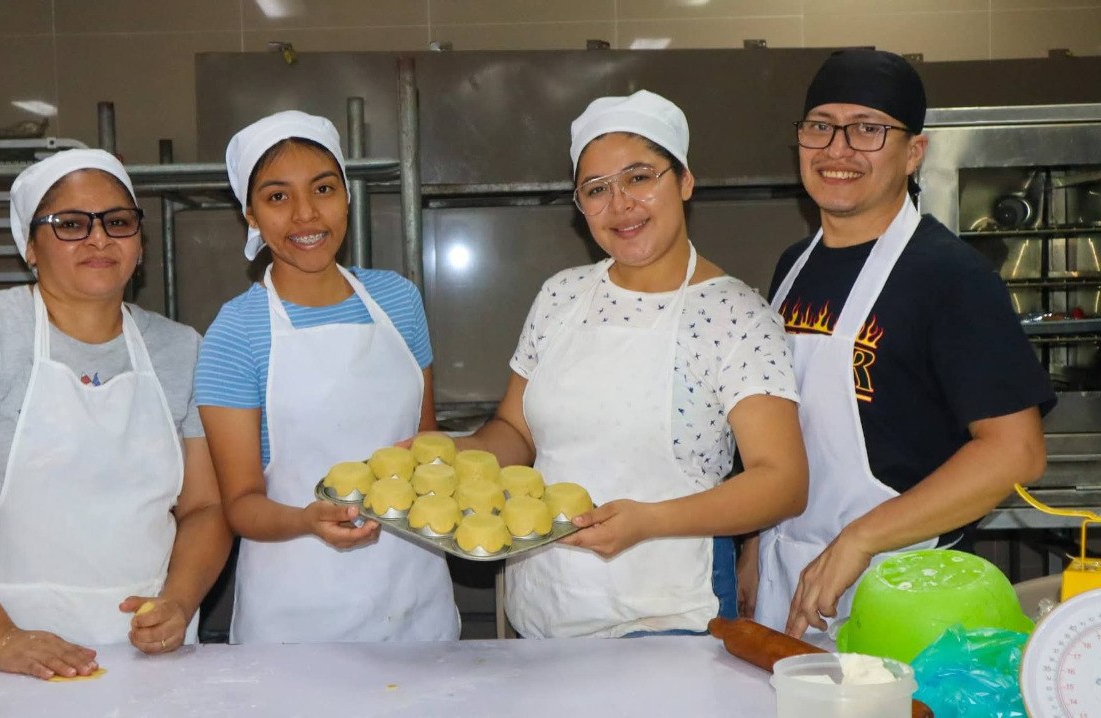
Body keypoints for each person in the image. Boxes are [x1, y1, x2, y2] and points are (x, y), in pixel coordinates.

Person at [446, 90, 808, 638]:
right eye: (597, 189)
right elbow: (514, 433)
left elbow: (782, 481)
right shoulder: (560, 297)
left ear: (684, 181)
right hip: (545, 609)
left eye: (640, 178)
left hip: (667, 618)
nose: (620, 205)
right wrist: (449, 455)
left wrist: (649, 522)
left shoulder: (735, 314)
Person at [0, 149, 232, 678]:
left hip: (150, 657)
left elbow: (205, 506)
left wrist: (178, 602)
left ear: (140, 243)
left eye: (118, 222)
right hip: (2, 657)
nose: (98, 238)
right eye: (69, 224)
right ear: (29, 246)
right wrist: (2, 638)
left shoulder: (181, 349)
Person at [747, 49, 1056, 638]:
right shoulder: (793, 267)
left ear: (914, 152)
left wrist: (860, 538)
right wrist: (758, 546)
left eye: (868, 129)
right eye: (820, 126)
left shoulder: (949, 276)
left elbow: (1017, 452)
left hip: (902, 585)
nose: (838, 149)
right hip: (787, 575)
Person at [196, 111, 460, 643]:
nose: (305, 214)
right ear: (249, 214)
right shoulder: (236, 331)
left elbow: (426, 442)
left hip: (414, 600)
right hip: (297, 615)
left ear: (345, 195)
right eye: (277, 197)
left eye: (323, 188)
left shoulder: (399, 301)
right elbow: (242, 503)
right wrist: (306, 520)